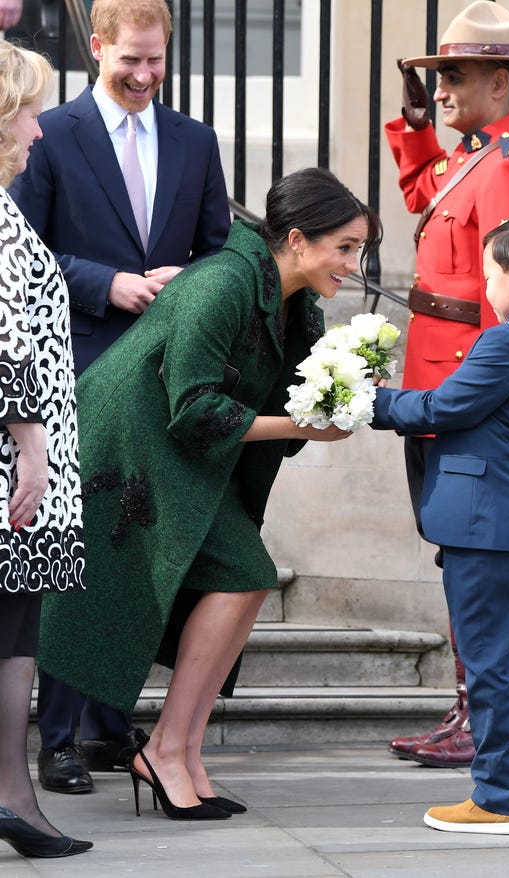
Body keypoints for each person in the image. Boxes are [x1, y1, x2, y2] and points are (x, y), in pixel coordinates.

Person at [36, 166, 382, 820]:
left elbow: (281, 396)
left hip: (181, 454)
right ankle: (166, 749)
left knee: (245, 577)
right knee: (245, 572)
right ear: (299, 240)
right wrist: (303, 425)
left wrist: (342, 394)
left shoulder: (294, 299)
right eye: (345, 247)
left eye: (357, 250)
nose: (352, 265)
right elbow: (193, 408)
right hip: (128, 449)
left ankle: (181, 750)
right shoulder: (222, 282)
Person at [9, 0, 230, 795]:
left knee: (137, 547)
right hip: (77, 371)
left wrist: (190, 283)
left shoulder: (196, 140)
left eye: (155, 59)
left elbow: (220, 253)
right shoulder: (48, 132)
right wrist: (110, 283)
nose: (144, 74)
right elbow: (21, 248)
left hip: (163, 378)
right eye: (129, 58)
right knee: (82, 553)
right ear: (97, 47)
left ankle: (109, 724)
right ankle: (58, 739)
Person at [384, 0, 509, 768]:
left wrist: (481, 399)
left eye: (453, 76)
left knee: (475, 562)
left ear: (500, 82)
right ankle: (471, 709)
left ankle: (480, 717)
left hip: (466, 392)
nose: (442, 88)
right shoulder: (473, 154)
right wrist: (417, 124)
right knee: (455, 554)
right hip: (440, 383)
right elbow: (422, 195)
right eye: (438, 76)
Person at [372, 214, 509, 833]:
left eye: (488, 273)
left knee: (491, 661)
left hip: (491, 522)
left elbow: (445, 407)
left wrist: (369, 400)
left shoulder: (508, 339)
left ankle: (497, 798)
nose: (484, 286)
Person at [0, 39, 91, 858]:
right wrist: (31, 442)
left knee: (16, 629)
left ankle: (15, 798)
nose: (39, 129)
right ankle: (13, 799)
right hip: (14, 463)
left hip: (25, 455)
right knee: (11, 631)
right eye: (30, 113)